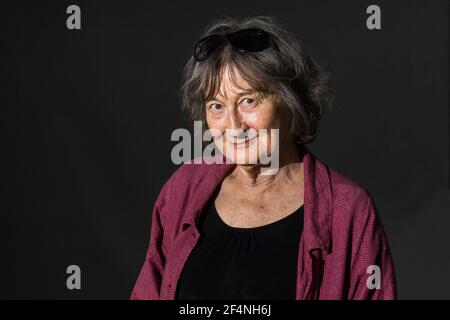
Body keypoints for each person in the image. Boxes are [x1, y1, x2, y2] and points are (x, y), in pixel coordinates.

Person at [131, 16, 396, 300]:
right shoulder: (182, 191)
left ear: (290, 100)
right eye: (217, 106)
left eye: (249, 100)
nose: (233, 124)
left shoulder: (348, 210)